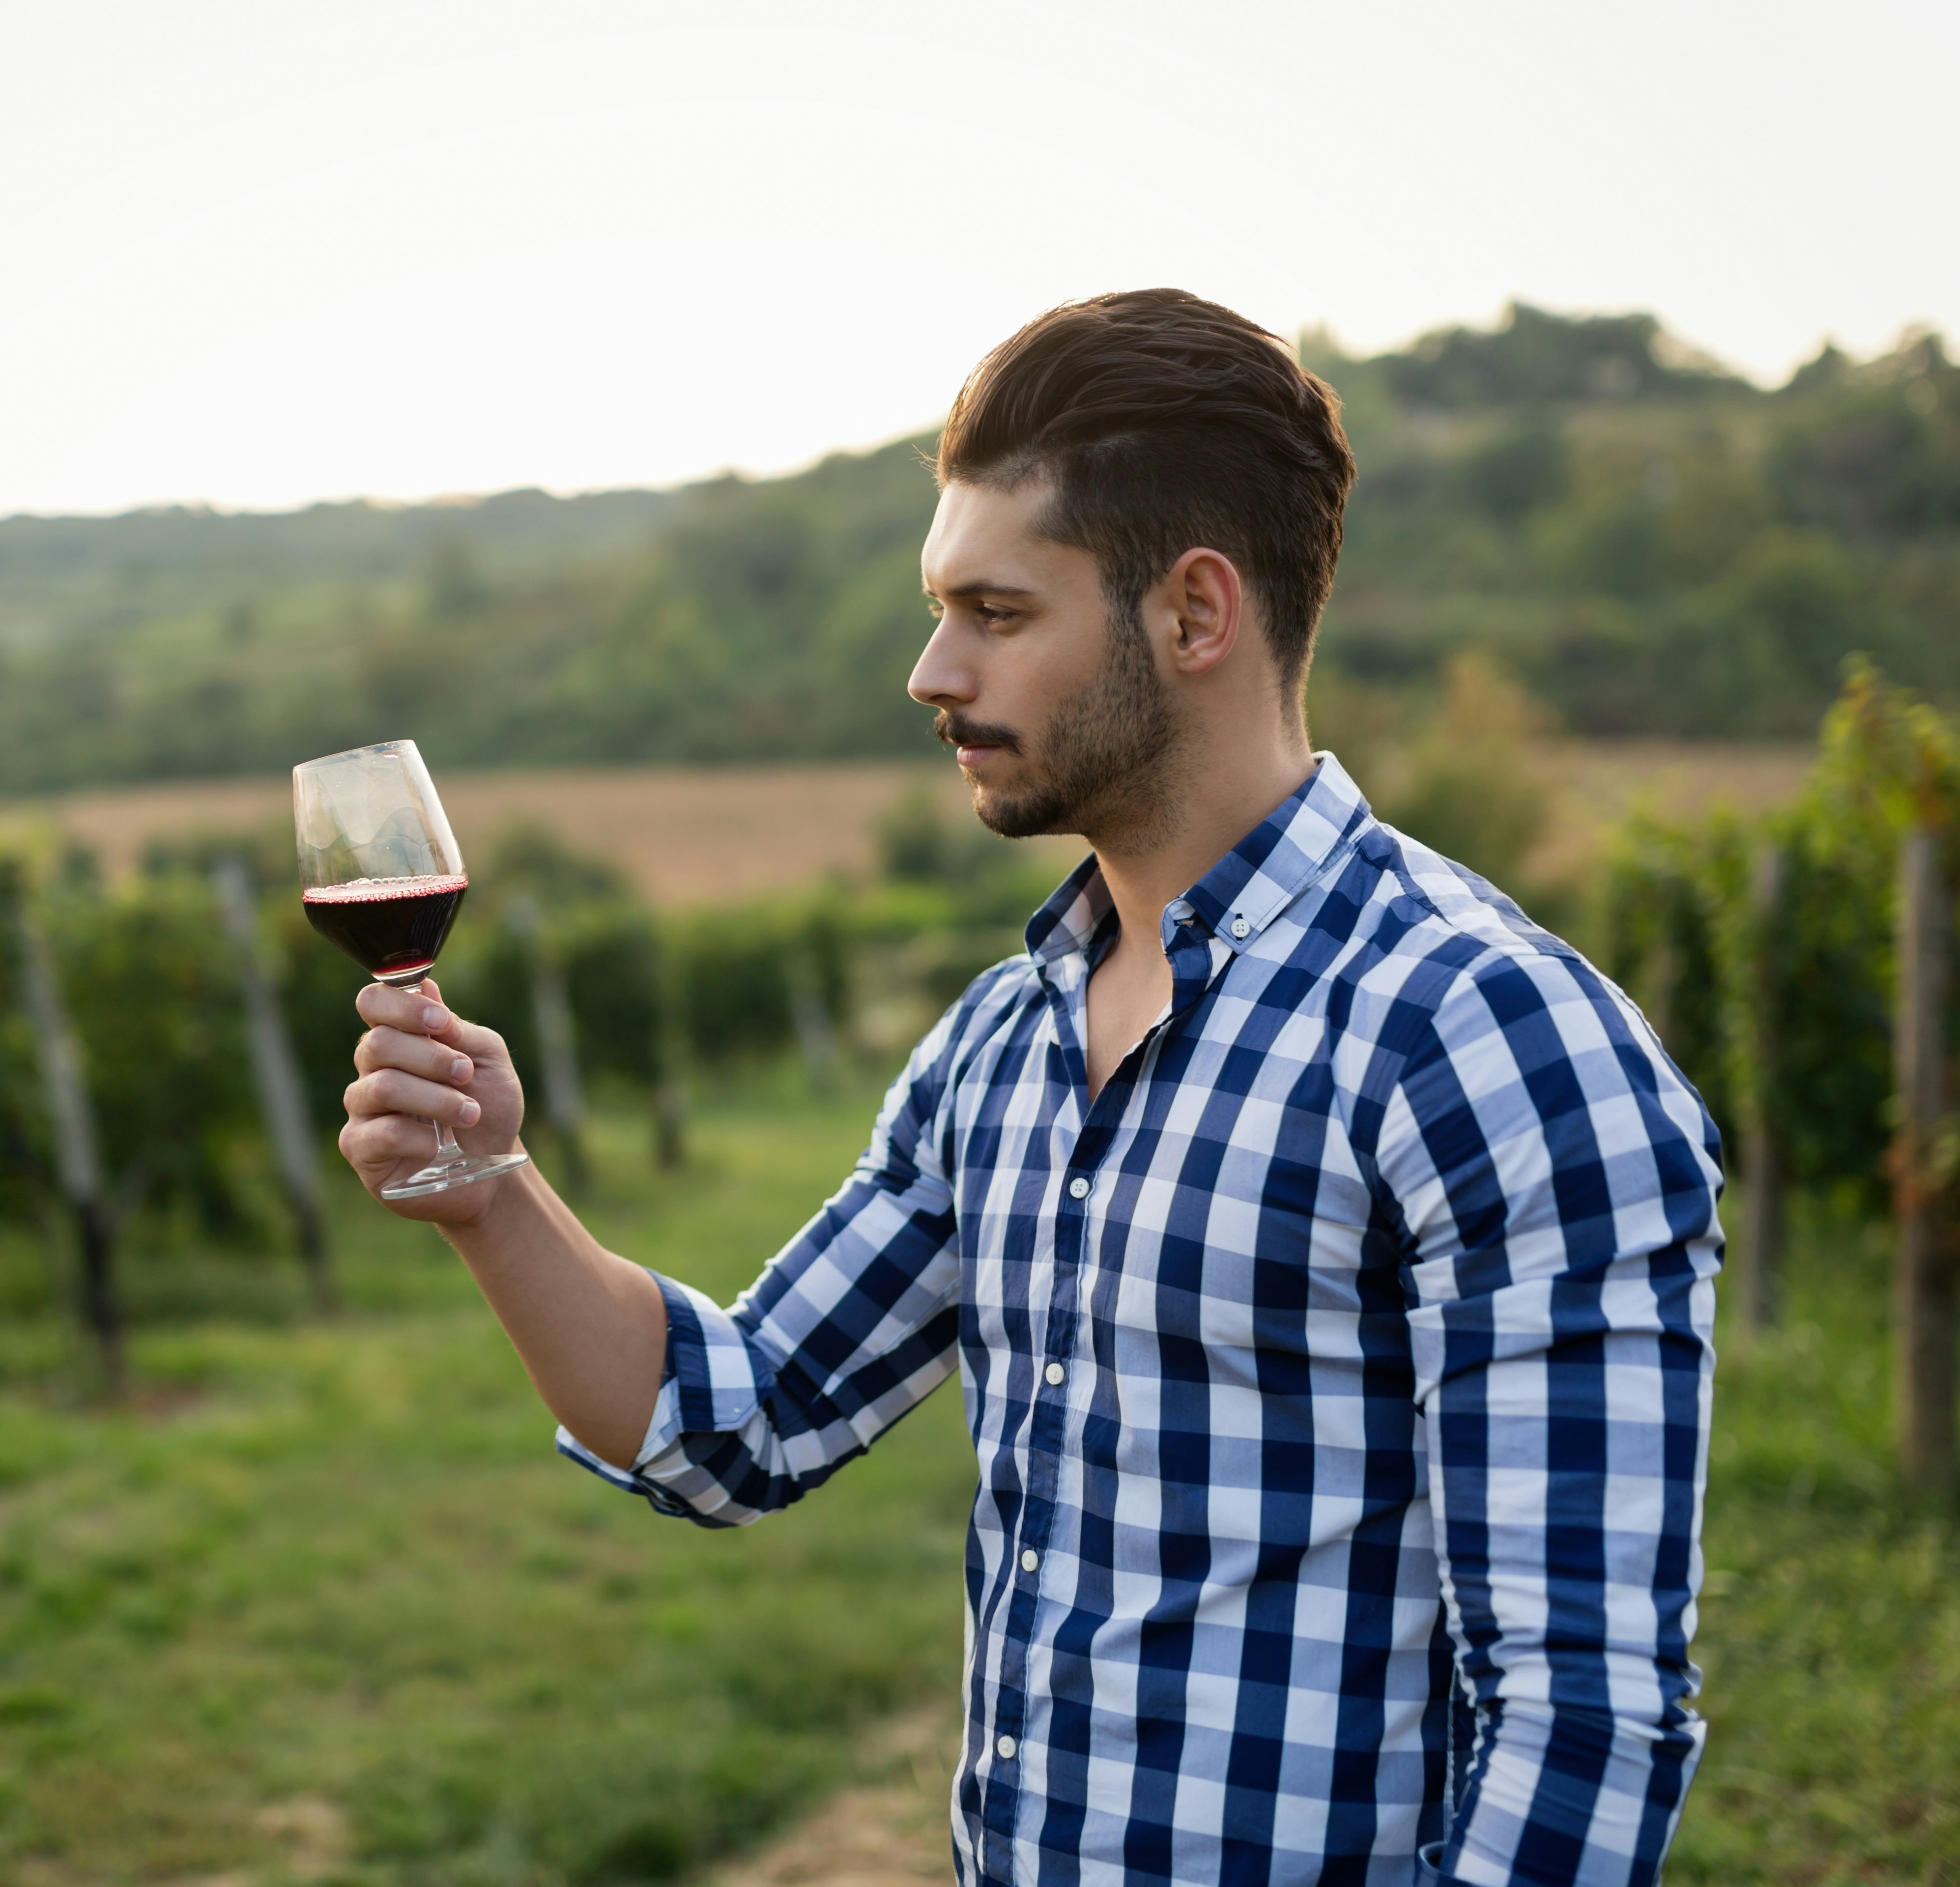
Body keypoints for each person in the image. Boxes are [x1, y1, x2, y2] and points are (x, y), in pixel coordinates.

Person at [337, 289, 1722, 1887]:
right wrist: (488, 1194)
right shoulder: (1004, 1045)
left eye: (997, 613)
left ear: (1196, 616)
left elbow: (1583, 1723)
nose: (931, 670)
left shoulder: (1485, 1040)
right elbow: (740, 1421)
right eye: (942, 608)